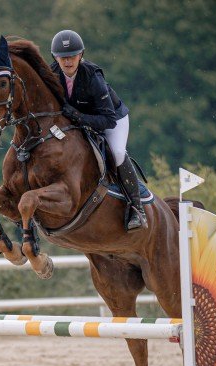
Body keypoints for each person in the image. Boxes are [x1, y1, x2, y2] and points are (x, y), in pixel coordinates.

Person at [50, 30, 147, 231]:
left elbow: (108, 120)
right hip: (79, 122)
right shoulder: (52, 75)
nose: (68, 61)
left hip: (112, 119)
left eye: (72, 56)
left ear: (81, 55)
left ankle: (137, 208)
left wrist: (76, 115)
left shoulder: (92, 76)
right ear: (55, 58)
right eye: (63, 57)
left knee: (118, 152)